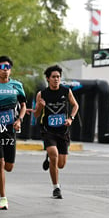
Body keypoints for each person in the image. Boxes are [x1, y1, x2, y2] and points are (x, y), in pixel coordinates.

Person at [30, 65, 79, 199]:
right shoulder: (42, 94)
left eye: (58, 77)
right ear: (48, 79)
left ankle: (49, 157)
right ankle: (56, 188)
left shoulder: (66, 91)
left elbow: (75, 105)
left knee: (61, 164)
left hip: (63, 131)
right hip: (48, 130)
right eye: (53, 77)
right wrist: (40, 106)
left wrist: (71, 119)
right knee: (54, 154)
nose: (56, 79)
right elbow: (36, 115)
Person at [0, 55, 26, 210]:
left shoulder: (17, 85)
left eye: (8, 67)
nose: (5, 70)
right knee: (0, 161)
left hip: (10, 128)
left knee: (9, 166)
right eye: (2, 67)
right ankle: (3, 198)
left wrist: (19, 120)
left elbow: (23, 106)